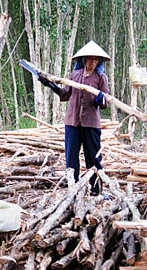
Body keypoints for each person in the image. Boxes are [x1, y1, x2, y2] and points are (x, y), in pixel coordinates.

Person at [39, 40, 110, 195]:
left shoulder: (100, 77)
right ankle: (74, 188)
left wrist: (101, 99)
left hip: (90, 123)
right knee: (71, 157)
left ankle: (96, 189)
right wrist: (51, 85)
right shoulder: (75, 75)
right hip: (72, 123)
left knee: (93, 157)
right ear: (84, 60)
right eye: (90, 59)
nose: (93, 62)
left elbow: (105, 102)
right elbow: (65, 94)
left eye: (96, 60)